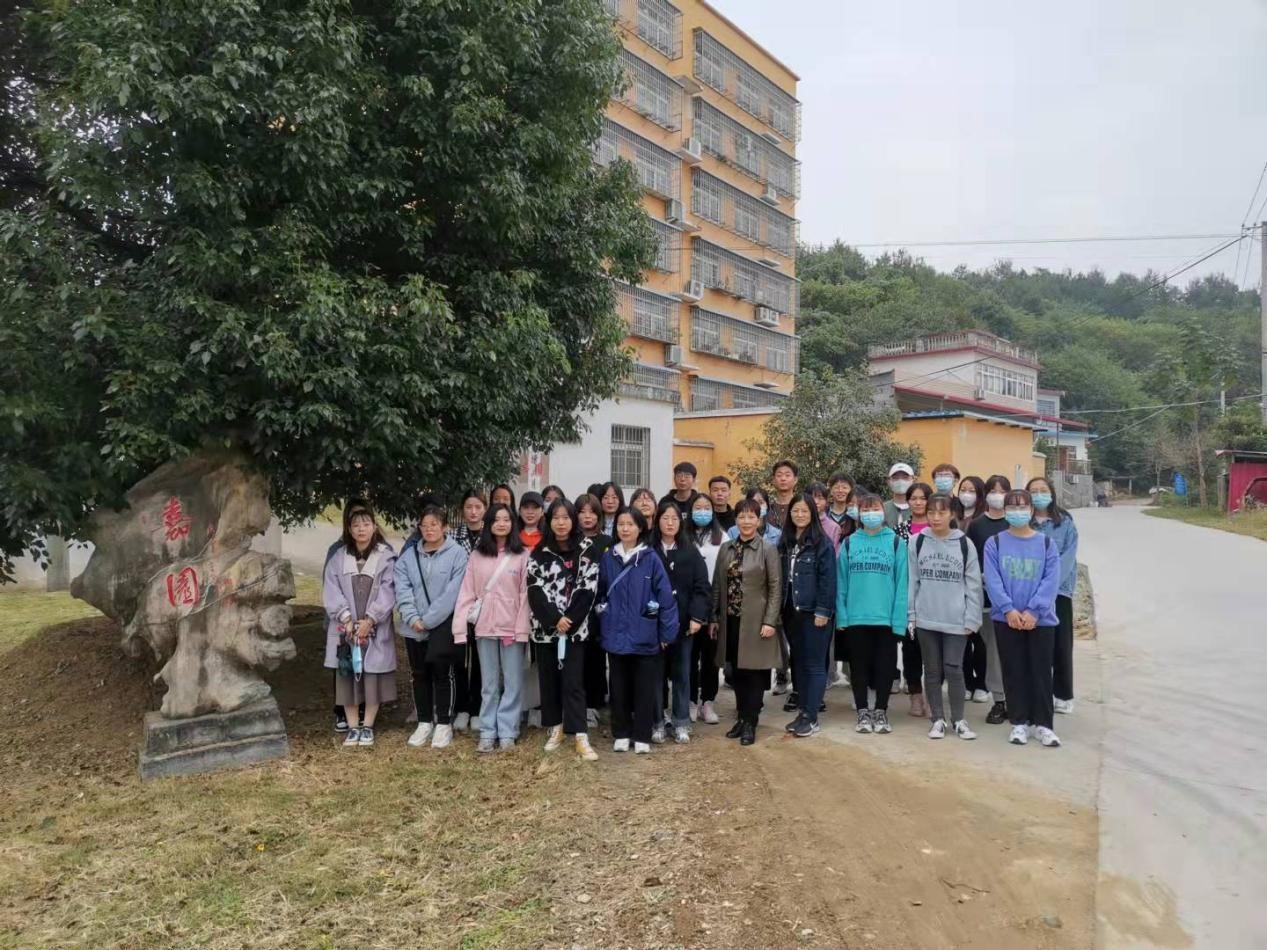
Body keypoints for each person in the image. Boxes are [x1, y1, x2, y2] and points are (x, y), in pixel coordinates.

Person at [983, 490, 1062, 748]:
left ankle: (1044, 725)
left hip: (1041, 621)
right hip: (1006, 619)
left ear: (1031, 510)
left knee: (1041, 672)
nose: (1017, 511)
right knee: (1013, 671)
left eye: (1022, 506)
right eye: (1012, 506)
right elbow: (992, 580)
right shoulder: (994, 543)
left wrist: (1034, 611)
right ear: (1005, 511)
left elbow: (1051, 580)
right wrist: (1008, 609)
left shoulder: (1046, 544)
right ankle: (1019, 722)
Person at [596, 509, 679, 754]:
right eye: (621, 524)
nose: (625, 529)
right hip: (615, 633)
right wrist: (604, 616)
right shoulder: (608, 557)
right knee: (618, 687)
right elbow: (600, 592)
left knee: (644, 688)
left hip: (645, 633)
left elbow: (666, 598)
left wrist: (666, 634)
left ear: (640, 527)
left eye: (630, 524)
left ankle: (642, 734)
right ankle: (621, 733)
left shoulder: (650, 558)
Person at [526, 499, 601, 761]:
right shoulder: (539, 551)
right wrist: (554, 618)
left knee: (573, 682)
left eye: (565, 517)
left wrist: (569, 619)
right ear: (549, 521)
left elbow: (588, 588)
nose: (561, 523)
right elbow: (535, 589)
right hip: (546, 629)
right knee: (548, 680)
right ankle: (555, 728)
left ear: (573, 520)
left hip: (574, 630)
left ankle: (579, 734)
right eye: (556, 518)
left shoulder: (586, 549)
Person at [452, 503, 532, 752]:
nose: (501, 524)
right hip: (485, 627)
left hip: (512, 628)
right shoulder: (477, 556)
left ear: (513, 523)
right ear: (489, 524)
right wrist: (459, 628)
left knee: (512, 682)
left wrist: (521, 629)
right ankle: (488, 730)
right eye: (496, 519)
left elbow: (525, 596)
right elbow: (467, 592)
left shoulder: (522, 555)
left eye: (506, 519)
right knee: (488, 684)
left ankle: (507, 730)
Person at [323, 501, 398, 748]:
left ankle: (368, 726)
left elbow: (388, 591)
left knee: (373, 676)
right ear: (349, 529)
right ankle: (353, 726)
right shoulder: (338, 557)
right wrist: (346, 619)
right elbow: (331, 590)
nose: (361, 529)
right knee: (347, 675)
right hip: (346, 628)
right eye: (356, 525)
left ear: (374, 527)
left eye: (366, 524)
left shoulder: (385, 557)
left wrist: (371, 619)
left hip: (374, 628)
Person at [908, 494, 982, 740]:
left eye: (941, 512)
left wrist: (972, 618)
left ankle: (959, 719)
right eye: (931, 512)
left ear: (952, 514)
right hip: (926, 619)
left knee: (953, 668)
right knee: (931, 670)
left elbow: (973, 585)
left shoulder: (964, 544)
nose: (935, 517)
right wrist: (911, 615)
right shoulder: (917, 542)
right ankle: (937, 719)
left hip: (956, 620)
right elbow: (912, 581)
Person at [395, 504, 469, 750]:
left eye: (434, 524)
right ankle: (424, 721)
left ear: (445, 526)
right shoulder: (408, 556)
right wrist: (412, 617)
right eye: (424, 525)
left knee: (443, 673)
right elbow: (402, 588)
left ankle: (444, 723)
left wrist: (428, 620)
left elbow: (453, 592)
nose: (429, 529)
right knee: (419, 674)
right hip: (413, 626)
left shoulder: (457, 554)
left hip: (442, 624)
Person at [836, 493, 908, 736]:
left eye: (874, 508)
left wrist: (899, 621)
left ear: (883, 511)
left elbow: (902, 585)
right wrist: (842, 617)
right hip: (856, 618)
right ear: (859, 514)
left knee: (885, 668)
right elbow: (841, 583)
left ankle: (881, 710)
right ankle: (862, 711)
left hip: (885, 619)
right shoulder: (849, 543)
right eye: (865, 509)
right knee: (858, 668)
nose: (870, 513)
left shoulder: (896, 542)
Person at [713, 499, 782, 745]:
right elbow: (717, 585)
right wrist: (714, 616)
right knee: (737, 673)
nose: (746, 521)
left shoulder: (767, 548)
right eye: (741, 516)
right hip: (731, 621)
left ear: (759, 519)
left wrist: (770, 620)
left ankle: (751, 722)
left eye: (751, 516)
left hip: (756, 621)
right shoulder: (726, 548)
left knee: (754, 674)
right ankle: (741, 718)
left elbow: (775, 587)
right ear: (735, 520)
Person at [651, 501, 712, 744]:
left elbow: (702, 587)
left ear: (681, 522)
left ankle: (681, 722)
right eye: (665, 518)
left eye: (674, 519)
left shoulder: (690, 552)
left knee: (682, 673)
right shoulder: (649, 550)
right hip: (654, 626)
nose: (669, 523)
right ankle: (657, 721)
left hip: (684, 623)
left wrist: (697, 617)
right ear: (657, 521)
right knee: (656, 675)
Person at [778, 493, 837, 738]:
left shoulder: (822, 543)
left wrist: (823, 610)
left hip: (814, 612)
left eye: (804, 511)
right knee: (799, 662)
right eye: (795, 511)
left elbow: (828, 580)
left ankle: (811, 717)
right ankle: (803, 711)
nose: (800, 515)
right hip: (791, 611)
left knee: (814, 664)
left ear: (812, 513)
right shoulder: (785, 543)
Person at [1027, 477, 1080, 715]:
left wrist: (1048, 586)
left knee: (1061, 644)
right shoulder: (1024, 522)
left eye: (1043, 490)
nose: (1038, 495)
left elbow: (1068, 558)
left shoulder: (1065, 522)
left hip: (1059, 592)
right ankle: (1038, 691)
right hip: (1029, 593)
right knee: (1036, 646)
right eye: (1033, 491)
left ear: (1051, 493)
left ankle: (1063, 694)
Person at [968, 475, 1013, 723]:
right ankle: (999, 700)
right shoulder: (977, 525)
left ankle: (1019, 699)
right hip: (987, 599)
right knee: (994, 651)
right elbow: (972, 561)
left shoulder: (1015, 523)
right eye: (993, 491)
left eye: (1002, 491)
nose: (998, 495)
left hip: (1017, 599)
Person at [686, 493, 725, 724]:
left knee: (711, 658)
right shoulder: (683, 536)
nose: (702, 512)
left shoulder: (722, 537)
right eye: (698, 507)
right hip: (689, 606)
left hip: (713, 605)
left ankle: (708, 702)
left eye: (706, 507)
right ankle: (691, 700)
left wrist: (716, 612)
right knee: (690, 657)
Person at [575, 493, 613, 725]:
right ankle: (578, 702)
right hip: (575, 607)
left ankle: (595, 702)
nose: (587, 517)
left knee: (597, 656)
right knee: (577, 657)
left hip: (600, 608)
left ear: (599, 515)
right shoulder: (571, 540)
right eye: (582, 512)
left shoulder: (607, 542)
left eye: (592, 512)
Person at [898, 481, 933, 717]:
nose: (918, 502)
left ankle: (932, 696)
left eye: (923, 498)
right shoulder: (900, 530)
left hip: (934, 597)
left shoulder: (939, 527)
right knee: (910, 648)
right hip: (907, 595)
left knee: (933, 650)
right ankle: (915, 695)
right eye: (914, 498)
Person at [807, 480, 841, 550]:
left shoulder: (834, 528)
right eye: (812, 498)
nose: (816, 502)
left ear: (826, 501)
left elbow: (835, 553)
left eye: (820, 498)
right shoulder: (799, 522)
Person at [450, 489, 487, 554]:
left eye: (478, 507)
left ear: (485, 509)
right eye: (469, 507)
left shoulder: (491, 534)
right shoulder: (452, 535)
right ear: (462, 509)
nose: (473, 512)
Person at [766, 459, 799, 530]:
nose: (783, 478)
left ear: (795, 480)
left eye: (787, 475)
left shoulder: (802, 508)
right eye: (779, 475)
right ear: (773, 480)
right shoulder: (767, 509)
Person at [883, 462, 916, 530]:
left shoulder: (920, 507)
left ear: (913, 480)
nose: (900, 481)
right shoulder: (882, 509)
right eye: (895, 478)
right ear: (888, 481)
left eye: (905, 477)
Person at [824, 473, 854, 538]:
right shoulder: (823, 514)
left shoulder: (854, 514)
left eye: (844, 487)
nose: (840, 490)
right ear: (831, 491)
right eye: (836, 487)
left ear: (851, 490)